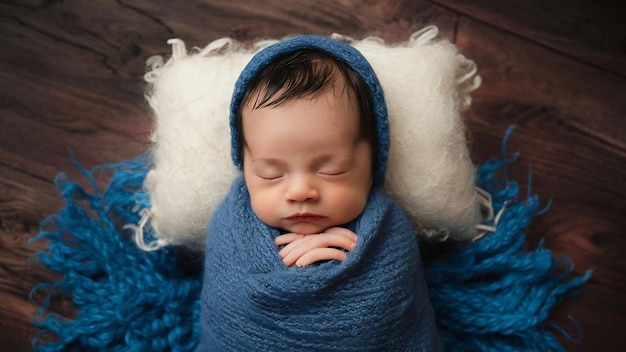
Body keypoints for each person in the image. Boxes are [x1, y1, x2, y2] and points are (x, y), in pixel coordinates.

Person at [197, 35, 443, 351]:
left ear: (372, 164)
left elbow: (388, 316)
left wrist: (334, 278)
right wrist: (291, 275)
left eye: (332, 169)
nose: (301, 191)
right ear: (244, 168)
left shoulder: (389, 232)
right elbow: (228, 309)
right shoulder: (230, 226)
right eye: (271, 173)